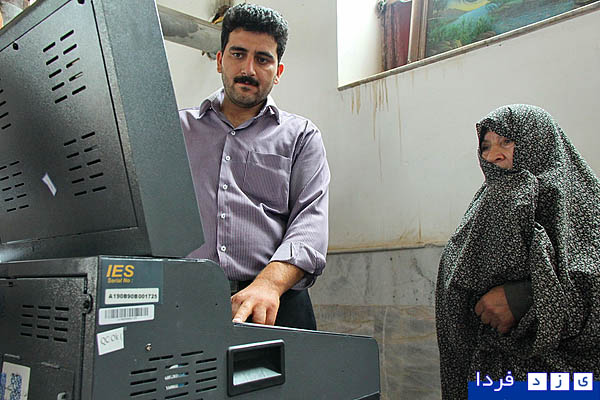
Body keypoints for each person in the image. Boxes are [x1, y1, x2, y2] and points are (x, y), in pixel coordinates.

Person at [179, 3, 329, 330]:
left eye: (262, 59)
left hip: (277, 304)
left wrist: (269, 284)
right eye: (238, 54)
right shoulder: (177, 130)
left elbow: (311, 223)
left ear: (278, 71)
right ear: (220, 59)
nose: (248, 68)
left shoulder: (301, 136)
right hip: (186, 303)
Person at [435, 104, 600, 398]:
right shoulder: (486, 204)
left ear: (538, 141)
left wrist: (527, 298)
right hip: (495, 376)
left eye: (507, 141)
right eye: (486, 147)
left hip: (565, 382)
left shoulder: (582, 204)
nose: (494, 155)